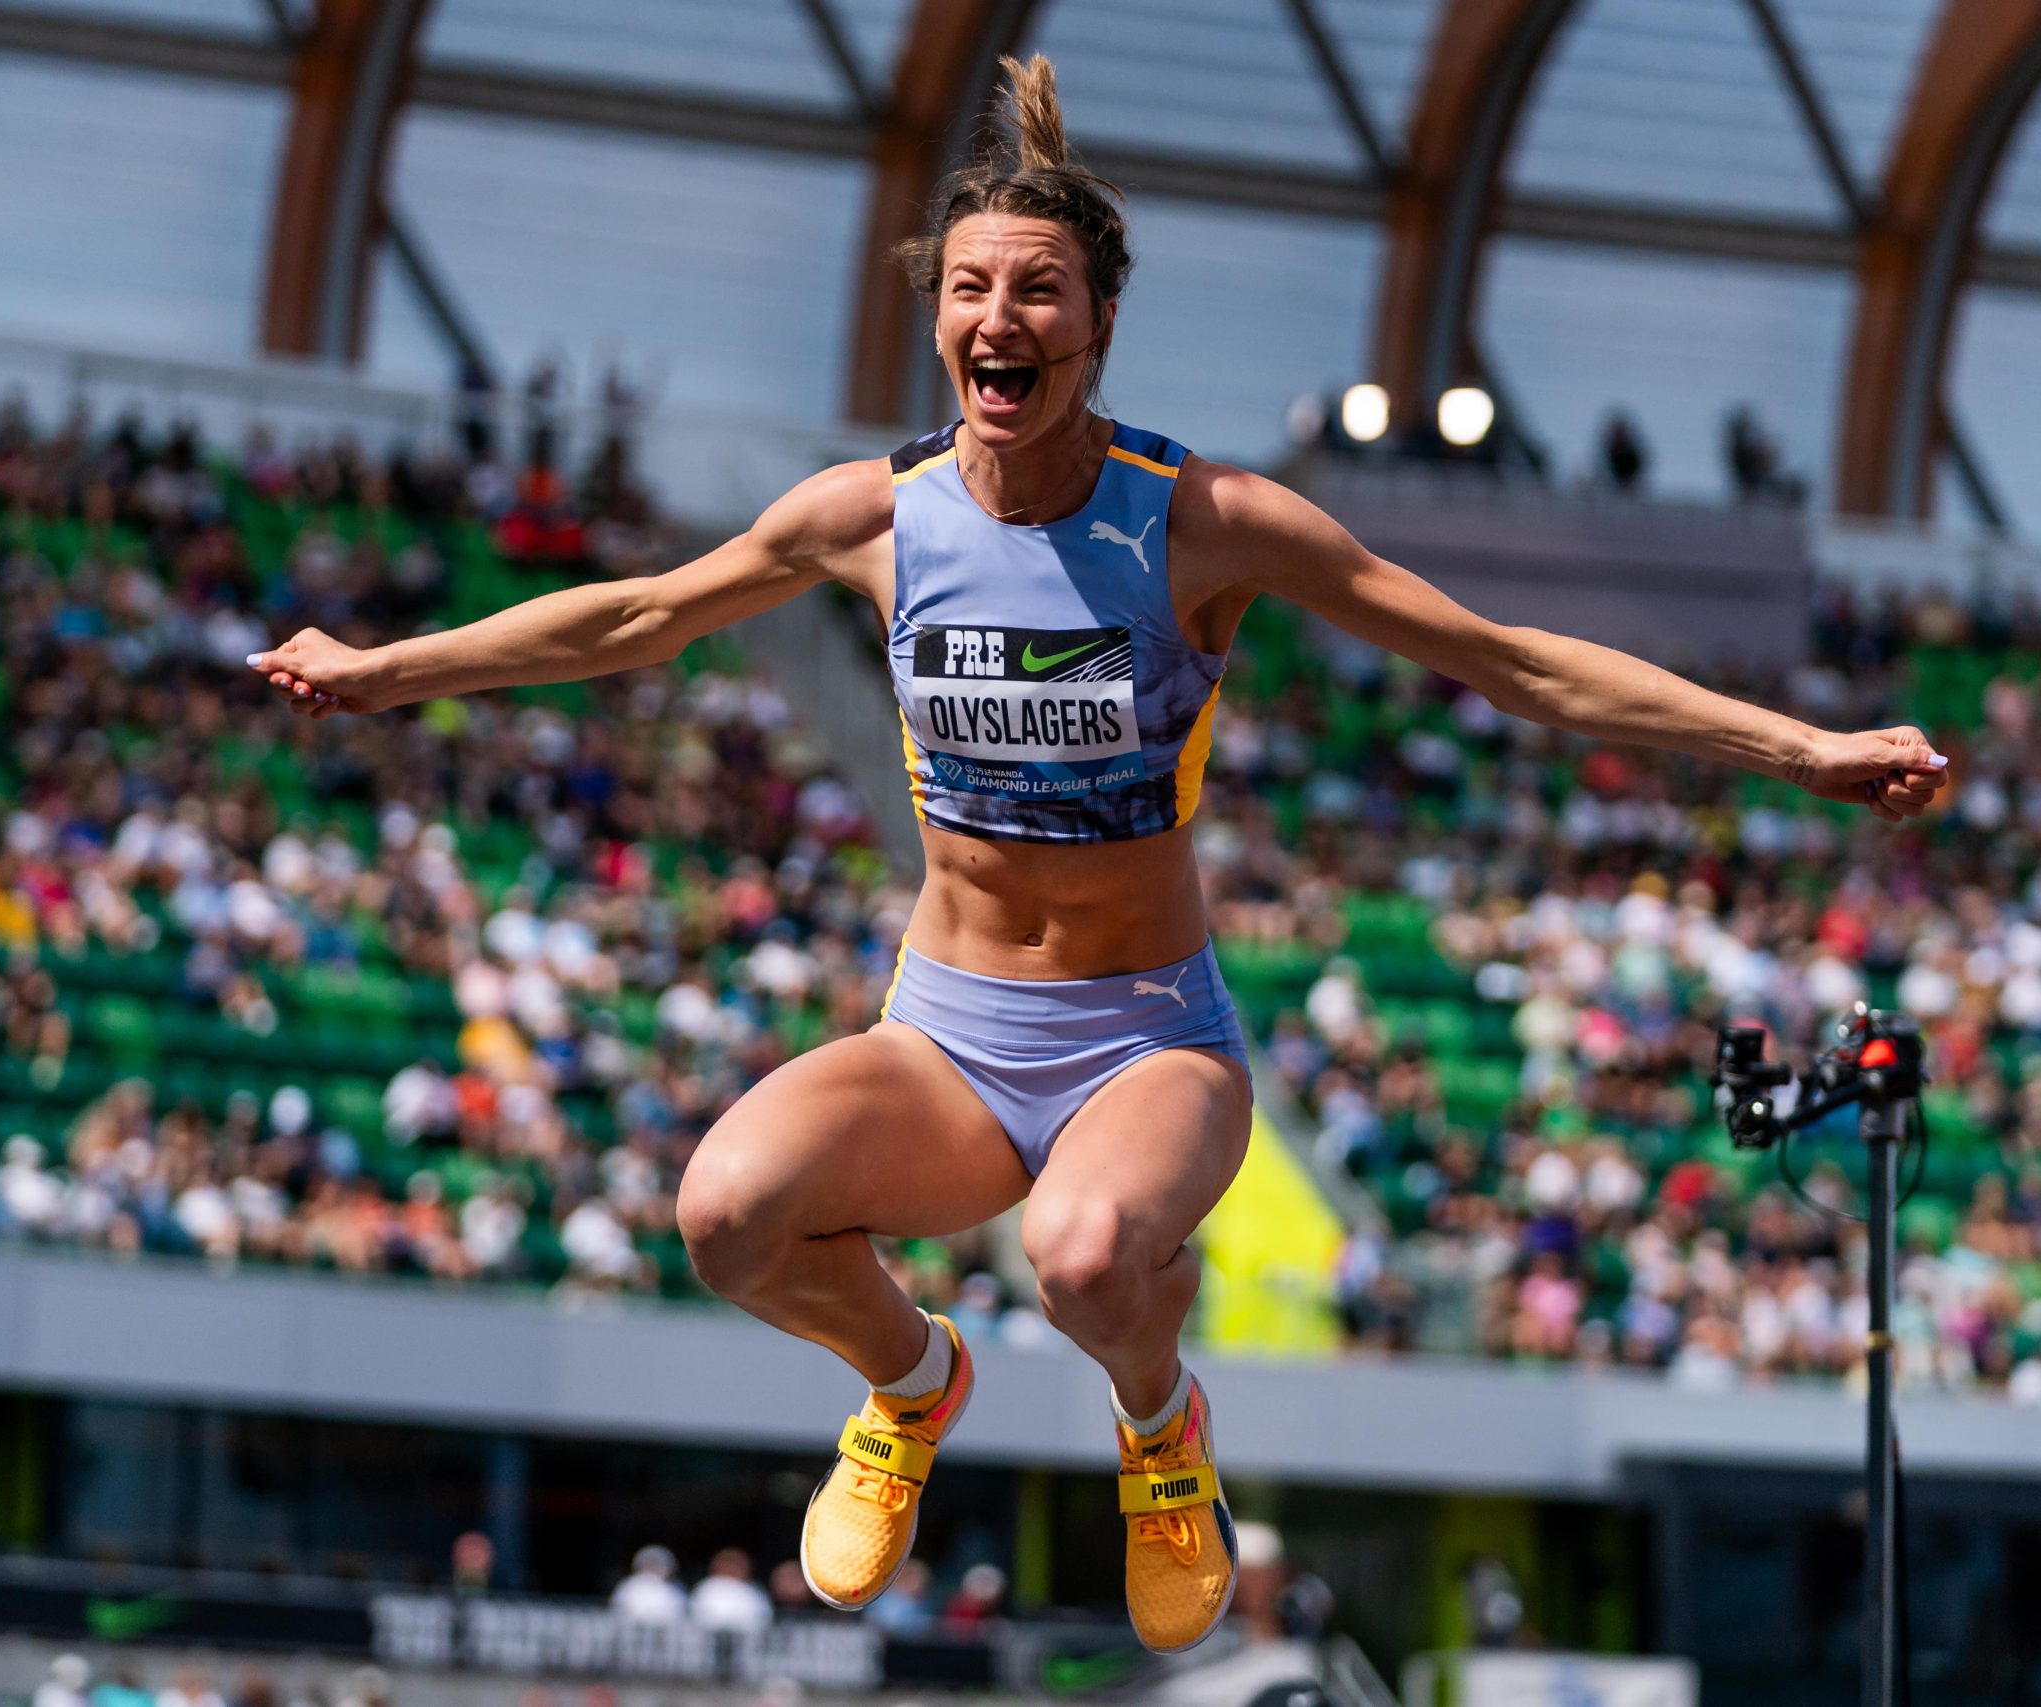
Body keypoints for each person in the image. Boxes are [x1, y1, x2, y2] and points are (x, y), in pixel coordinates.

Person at [244, 55, 1951, 1655]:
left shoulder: (1203, 522)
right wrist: (391, 668)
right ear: (937, 316)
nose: (1002, 319)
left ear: (1101, 321)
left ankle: (1161, 1429)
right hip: (948, 1034)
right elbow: (632, 615)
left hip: (1150, 1039)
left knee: (1083, 1253)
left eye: (1039, 291)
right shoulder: (874, 516)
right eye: (973, 289)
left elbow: (1513, 660)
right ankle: (910, 1383)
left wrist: (1804, 746)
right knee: (727, 1216)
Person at [690, 1547, 774, 1631]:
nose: (732, 1568)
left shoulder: (754, 1592)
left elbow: (762, 1620)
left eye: (737, 1564)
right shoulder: (707, 1587)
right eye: (728, 1563)